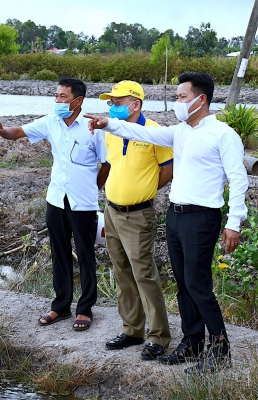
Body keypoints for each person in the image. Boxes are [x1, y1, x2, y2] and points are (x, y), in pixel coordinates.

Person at [85, 72, 248, 374]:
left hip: (203, 217)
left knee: (199, 285)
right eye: (176, 97)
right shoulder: (181, 132)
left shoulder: (223, 135)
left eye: (182, 97)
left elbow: (238, 180)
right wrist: (109, 123)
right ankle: (193, 342)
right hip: (176, 215)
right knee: (184, 285)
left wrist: (234, 223)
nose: (178, 102)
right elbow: (143, 134)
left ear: (201, 99)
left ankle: (221, 349)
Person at [0, 77, 107, 331]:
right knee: (59, 253)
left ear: (78, 100)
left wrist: (91, 188)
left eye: (63, 97)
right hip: (56, 199)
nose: (58, 101)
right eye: (56, 96)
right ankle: (61, 306)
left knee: (86, 255)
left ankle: (85, 309)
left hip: (83, 203)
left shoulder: (93, 127)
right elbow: (17, 133)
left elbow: (106, 164)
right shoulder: (51, 122)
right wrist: (1, 131)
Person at [97, 81, 174, 361]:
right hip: (112, 211)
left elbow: (168, 168)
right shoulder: (111, 131)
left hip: (138, 214)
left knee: (144, 273)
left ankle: (159, 337)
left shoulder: (153, 131)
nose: (113, 107)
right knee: (121, 272)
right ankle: (132, 330)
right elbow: (111, 165)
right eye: (111, 102)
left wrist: (146, 191)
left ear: (135, 104)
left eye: (118, 102)